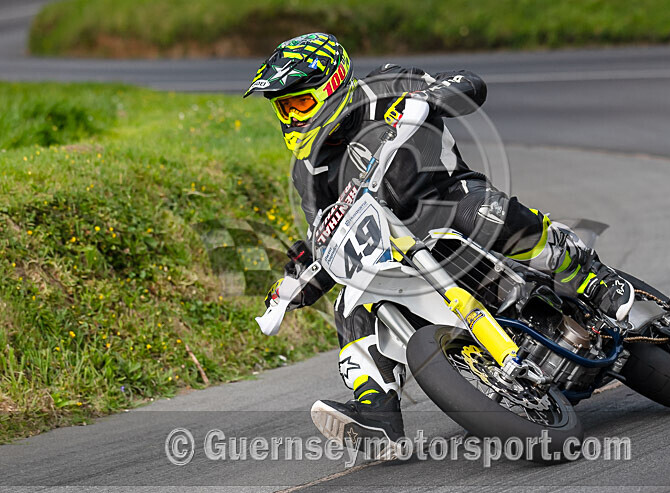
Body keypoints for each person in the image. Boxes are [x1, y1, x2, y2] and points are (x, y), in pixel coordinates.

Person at [244, 33, 634, 450]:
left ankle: (594, 277)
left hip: (449, 198)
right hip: (396, 251)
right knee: (352, 301)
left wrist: (428, 99)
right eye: (284, 108)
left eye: (300, 103)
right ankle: (378, 413)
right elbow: (324, 235)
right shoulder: (309, 171)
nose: (293, 118)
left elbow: (468, 81)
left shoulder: (386, 87)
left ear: (335, 82)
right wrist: (292, 286)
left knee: (482, 214)